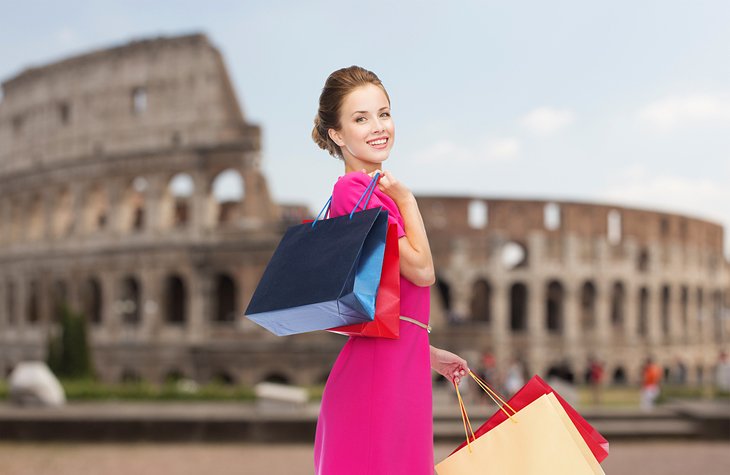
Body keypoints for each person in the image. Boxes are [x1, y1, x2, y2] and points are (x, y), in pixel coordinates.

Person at [311, 66, 470, 474]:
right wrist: (409, 200)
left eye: (383, 113)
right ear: (337, 134)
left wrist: (426, 353)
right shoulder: (354, 191)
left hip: (396, 366)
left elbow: (385, 301)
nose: (378, 127)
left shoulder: (373, 194)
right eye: (360, 118)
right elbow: (422, 271)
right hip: (377, 380)